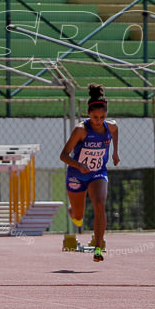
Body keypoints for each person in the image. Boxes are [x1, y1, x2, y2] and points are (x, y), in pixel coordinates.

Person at [59, 84, 119, 262]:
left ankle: (98, 247)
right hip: (77, 174)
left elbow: (115, 132)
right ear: (88, 113)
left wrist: (115, 152)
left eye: (102, 117)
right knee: (79, 215)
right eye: (95, 117)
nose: (98, 121)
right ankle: (73, 212)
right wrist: (78, 165)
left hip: (97, 173)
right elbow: (63, 155)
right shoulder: (81, 130)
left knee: (100, 203)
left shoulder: (111, 126)